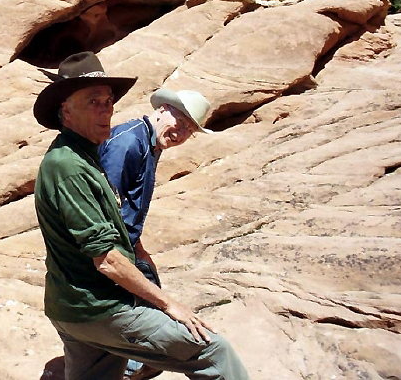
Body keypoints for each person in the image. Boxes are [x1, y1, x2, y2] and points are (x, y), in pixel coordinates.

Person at [33, 51, 249, 380]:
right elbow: (105, 256)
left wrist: (138, 252)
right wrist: (167, 303)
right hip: (100, 304)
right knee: (213, 352)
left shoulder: (82, 153)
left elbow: (109, 218)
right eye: (93, 101)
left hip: (75, 305)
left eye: (108, 101)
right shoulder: (80, 162)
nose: (106, 109)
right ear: (66, 110)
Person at [99, 88, 214, 380]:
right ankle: (128, 368)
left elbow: (128, 205)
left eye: (190, 129)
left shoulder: (149, 143)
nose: (182, 131)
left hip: (125, 245)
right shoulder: (129, 142)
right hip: (107, 251)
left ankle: (133, 366)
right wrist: (119, 255)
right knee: (143, 317)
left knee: (150, 299)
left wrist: (138, 247)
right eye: (180, 120)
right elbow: (104, 207)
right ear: (162, 109)